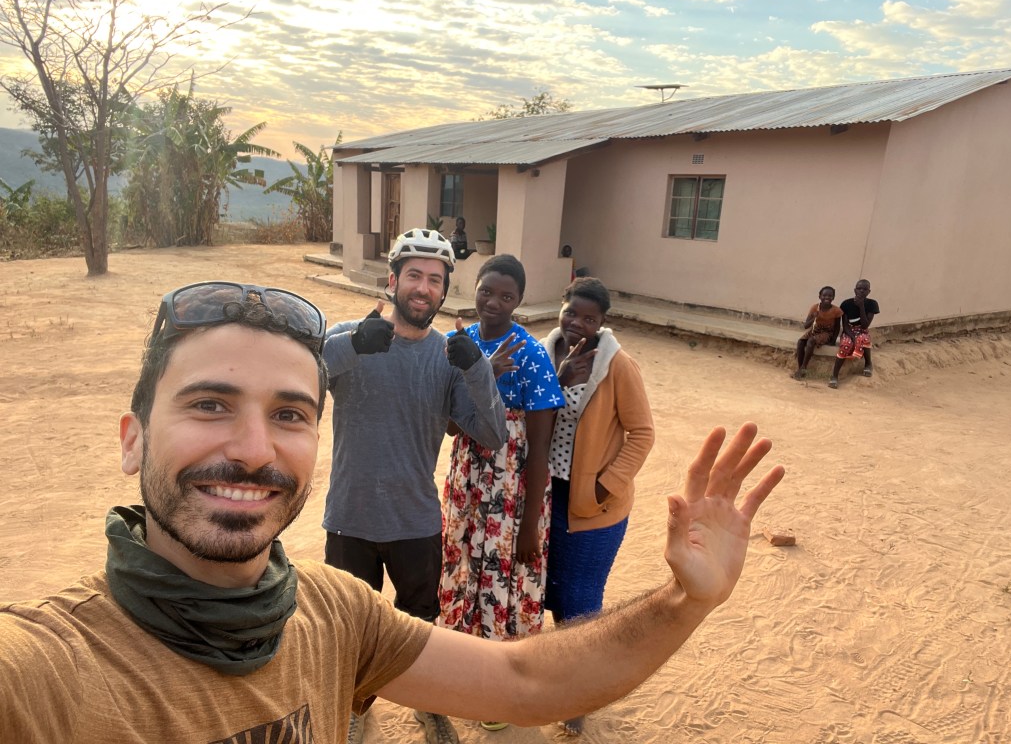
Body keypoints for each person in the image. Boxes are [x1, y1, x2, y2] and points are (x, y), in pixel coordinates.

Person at [0, 278, 785, 742]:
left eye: (289, 414)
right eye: (209, 404)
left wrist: (686, 601)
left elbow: (522, 677)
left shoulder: (332, 617)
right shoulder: (49, 673)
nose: (250, 448)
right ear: (132, 439)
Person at [322, 228, 507, 743]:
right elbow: (301, 382)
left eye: (434, 280)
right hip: (350, 517)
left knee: (420, 626)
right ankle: (357, 704)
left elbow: (492, 435)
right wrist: (352, 347)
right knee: (352, 626)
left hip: (415, 520)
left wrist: (478, 371)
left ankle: (427, 705)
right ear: (392, 280)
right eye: (413, 276)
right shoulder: (349, 336)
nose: (423, 288)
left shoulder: (449, 358)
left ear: (444, 292)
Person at [438, 255, 564, 731]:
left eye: (505, 296)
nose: (493, 302)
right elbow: (451, 426)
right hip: (467, 480)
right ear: (474, 288)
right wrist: (482, 372)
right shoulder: (462, 342)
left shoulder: (531, 355)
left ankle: (497, 693)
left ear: (520, 301)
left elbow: (537, 450)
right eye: (486, 291)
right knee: (465, 570)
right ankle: (465, 676)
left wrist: (529, 524)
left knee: (501, 584)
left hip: (510, 491)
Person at [541, 276, 656, 736]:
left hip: (596, 506)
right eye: (572, 313)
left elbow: (642, 433)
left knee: (580, 600)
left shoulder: (618, 366)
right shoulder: (543, 352)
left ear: (603, 323)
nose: (578, 324)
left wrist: (608, 484)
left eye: (590, 318)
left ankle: (580, 693)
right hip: (548, 495)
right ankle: (564, 673)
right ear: (561, 309)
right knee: (550, 591)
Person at [829, 279, 880, 389]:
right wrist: (852, 336)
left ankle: (868, 363)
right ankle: (834, 376)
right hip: (849, 331)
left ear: (869, 291)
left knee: (864, 338)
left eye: (865, 289)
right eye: (859, 288)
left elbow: (865, 325)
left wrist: (861, 306)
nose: (861, 291)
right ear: (854, 290)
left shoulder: (872, 304)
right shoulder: (846, 304)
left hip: (862, 330)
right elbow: (845, 325)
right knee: (846, 343)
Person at [794, 286, 843, 379]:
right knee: (800, 342)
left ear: (833, 297)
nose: (827, 297)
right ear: (820, 296)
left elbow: (837, 327)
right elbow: (806, 326)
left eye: (830, 295)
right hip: (815, 330)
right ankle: (800, 368)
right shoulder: (815, 308)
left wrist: (833, 340)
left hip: (827, 332)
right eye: (824, 295)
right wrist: (814, 317)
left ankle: (804, 367)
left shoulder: (836, 311)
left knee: (811, 341)